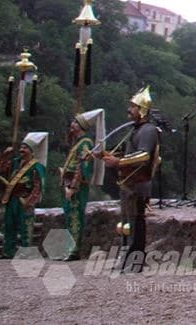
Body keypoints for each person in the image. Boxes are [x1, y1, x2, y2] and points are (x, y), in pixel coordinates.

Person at [101, 87, 161, 271]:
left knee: (136, 222)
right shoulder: (136, 130)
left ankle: (135, 261)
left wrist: (118, 161)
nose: (129, 110)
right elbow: (129, 153)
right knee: (125, 224)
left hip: (138, 183)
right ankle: (125, 257)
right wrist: (105, 155)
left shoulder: (149, 130)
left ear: (142, 110)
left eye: (133, 107)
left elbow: (143, 156)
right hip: (127, 183)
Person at [59, 109, 104, 259]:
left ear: (81, 126)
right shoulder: (77, 142)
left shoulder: (85, 143)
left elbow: (81, 165)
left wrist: (73, 186)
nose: (72, 125)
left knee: (75, 216)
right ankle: (69, 248)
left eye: (75, 122)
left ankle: (74, 249)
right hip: (68, 183)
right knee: (69, 216)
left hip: (75, 186)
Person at [0, 133, 46, 258]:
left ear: (31, 151)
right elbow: (1, 171)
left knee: (25, 227)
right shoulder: (14, 163)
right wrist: (5, 155)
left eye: (25, 148)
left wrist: (29, 201)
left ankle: (26, 253)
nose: (21, 150)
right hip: (11, 198)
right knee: (9, 225)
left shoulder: (37, 167)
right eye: (21, 147)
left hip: (24, 199)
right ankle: (8, 251)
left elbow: (37, 186)